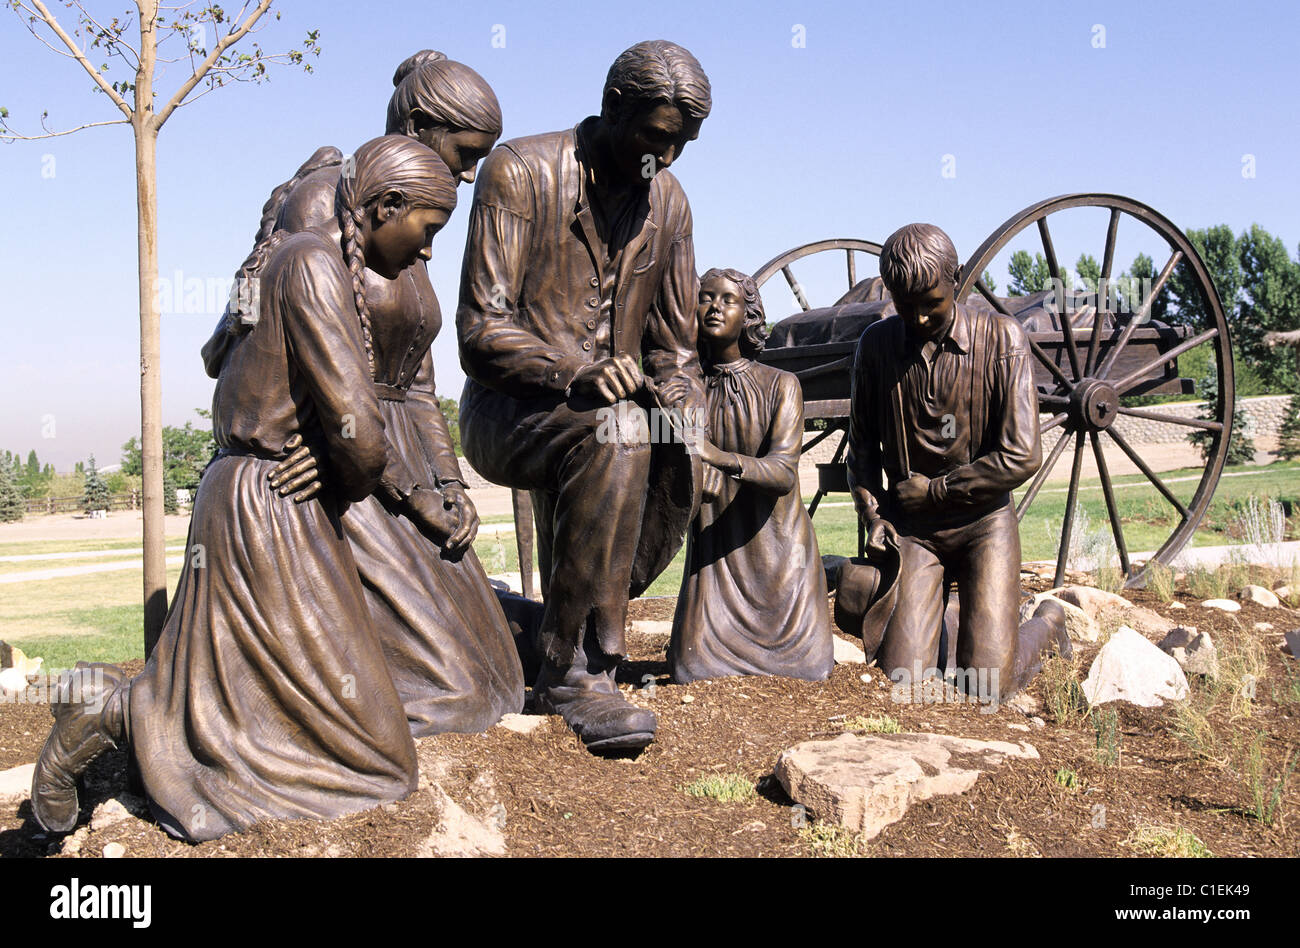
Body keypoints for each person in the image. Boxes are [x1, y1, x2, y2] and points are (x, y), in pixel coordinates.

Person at [31, 136, 458, 841]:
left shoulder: (293, 260)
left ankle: (107, 707)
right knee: (377, 759)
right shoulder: (315, 266)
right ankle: (109, 720)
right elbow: (363, 433)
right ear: (385, 206)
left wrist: (334, 450)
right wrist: (341, 457)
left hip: (258, 494)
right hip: (269, 504)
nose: (428, 253)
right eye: (428, 231)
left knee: (287, 705)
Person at [206, 53, 524, 738]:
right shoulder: (327, 201)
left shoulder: (414, 215)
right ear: (418, 123)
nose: (471, 174)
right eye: (466, 153)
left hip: (395, 456)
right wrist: (327, 443)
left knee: (500, 679)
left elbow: (418, 381)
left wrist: (448, 481)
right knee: (452, 691)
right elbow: (269, 322)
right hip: (343, 461)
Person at [456, 40, 711, 752]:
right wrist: (574, 373)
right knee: (621, 431)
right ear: (611, 109)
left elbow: (675, 349)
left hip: (615, 417)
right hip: (507, 410)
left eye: (684, 144)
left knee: (644, 435)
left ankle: (586, 631)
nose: (667, 159)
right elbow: (481, 329)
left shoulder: (671, 202)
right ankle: (573, 671)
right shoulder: (519, 172)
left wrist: (684, 403)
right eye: (658, 138)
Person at [846, 222, 1063, 700]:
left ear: (957, 279)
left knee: (984, 688)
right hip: (915, 531)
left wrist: (940, 490)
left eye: (931, 303)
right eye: (906, 306)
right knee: (903, 680)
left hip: (984, 525)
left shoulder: (1001, 339)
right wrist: (874, 513)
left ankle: (1047, 624)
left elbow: (1022, 454)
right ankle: (958, 623)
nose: (919, 318)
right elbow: (860, 451)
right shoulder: (876, 347)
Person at [668, 268, 833, 683]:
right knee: (692, 667)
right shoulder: (686, 391)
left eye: (728, 299)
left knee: (808, 669)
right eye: (705, 298)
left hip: (779, 557)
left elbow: (782, 473)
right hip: (715, 559)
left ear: (750, 314)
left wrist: (717, 457)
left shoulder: (781, 386)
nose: (714, 307)